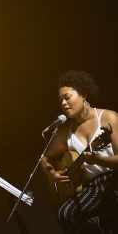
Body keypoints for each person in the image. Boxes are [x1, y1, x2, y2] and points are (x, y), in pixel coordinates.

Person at [41, 69, 118, 234]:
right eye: (60, 100)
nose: (63, 103)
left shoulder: (108, 118)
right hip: (90, 188)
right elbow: (45, 157)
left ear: (83, 93)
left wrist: (98, 160)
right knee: (65, 214)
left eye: (67, 97)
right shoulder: (64, 130)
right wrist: (53, 174)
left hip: (114, 180)